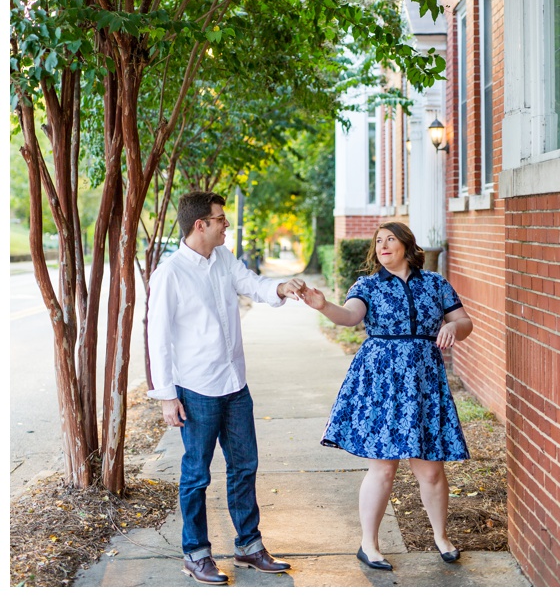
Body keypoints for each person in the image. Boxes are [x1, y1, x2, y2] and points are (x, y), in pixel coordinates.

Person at [148, 190, 308, 585]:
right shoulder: (170, 273)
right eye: (221, 219)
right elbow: (158, 337)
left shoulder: (223, 259)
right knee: (196, 474)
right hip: (196, 388)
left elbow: (252, 284)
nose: (226, 225)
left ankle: (248, 547)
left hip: (235, 383)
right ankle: (196, 553)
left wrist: (282, 288)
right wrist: (167, 395)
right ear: (200, 224)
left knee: (244, 467)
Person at [295, 221, 472, 570]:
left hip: (423, 382)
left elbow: (465, 323)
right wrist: (323, 305)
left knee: (431, 471)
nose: (384, 245)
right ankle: (369, 544)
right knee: (383, 468)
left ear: (407, 245)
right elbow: (349, 316)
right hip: (382, 384)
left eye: (390, 239)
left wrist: (452, 325)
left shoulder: (435, 283)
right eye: (379, 241)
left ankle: (441, 537)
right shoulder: (369, 285)